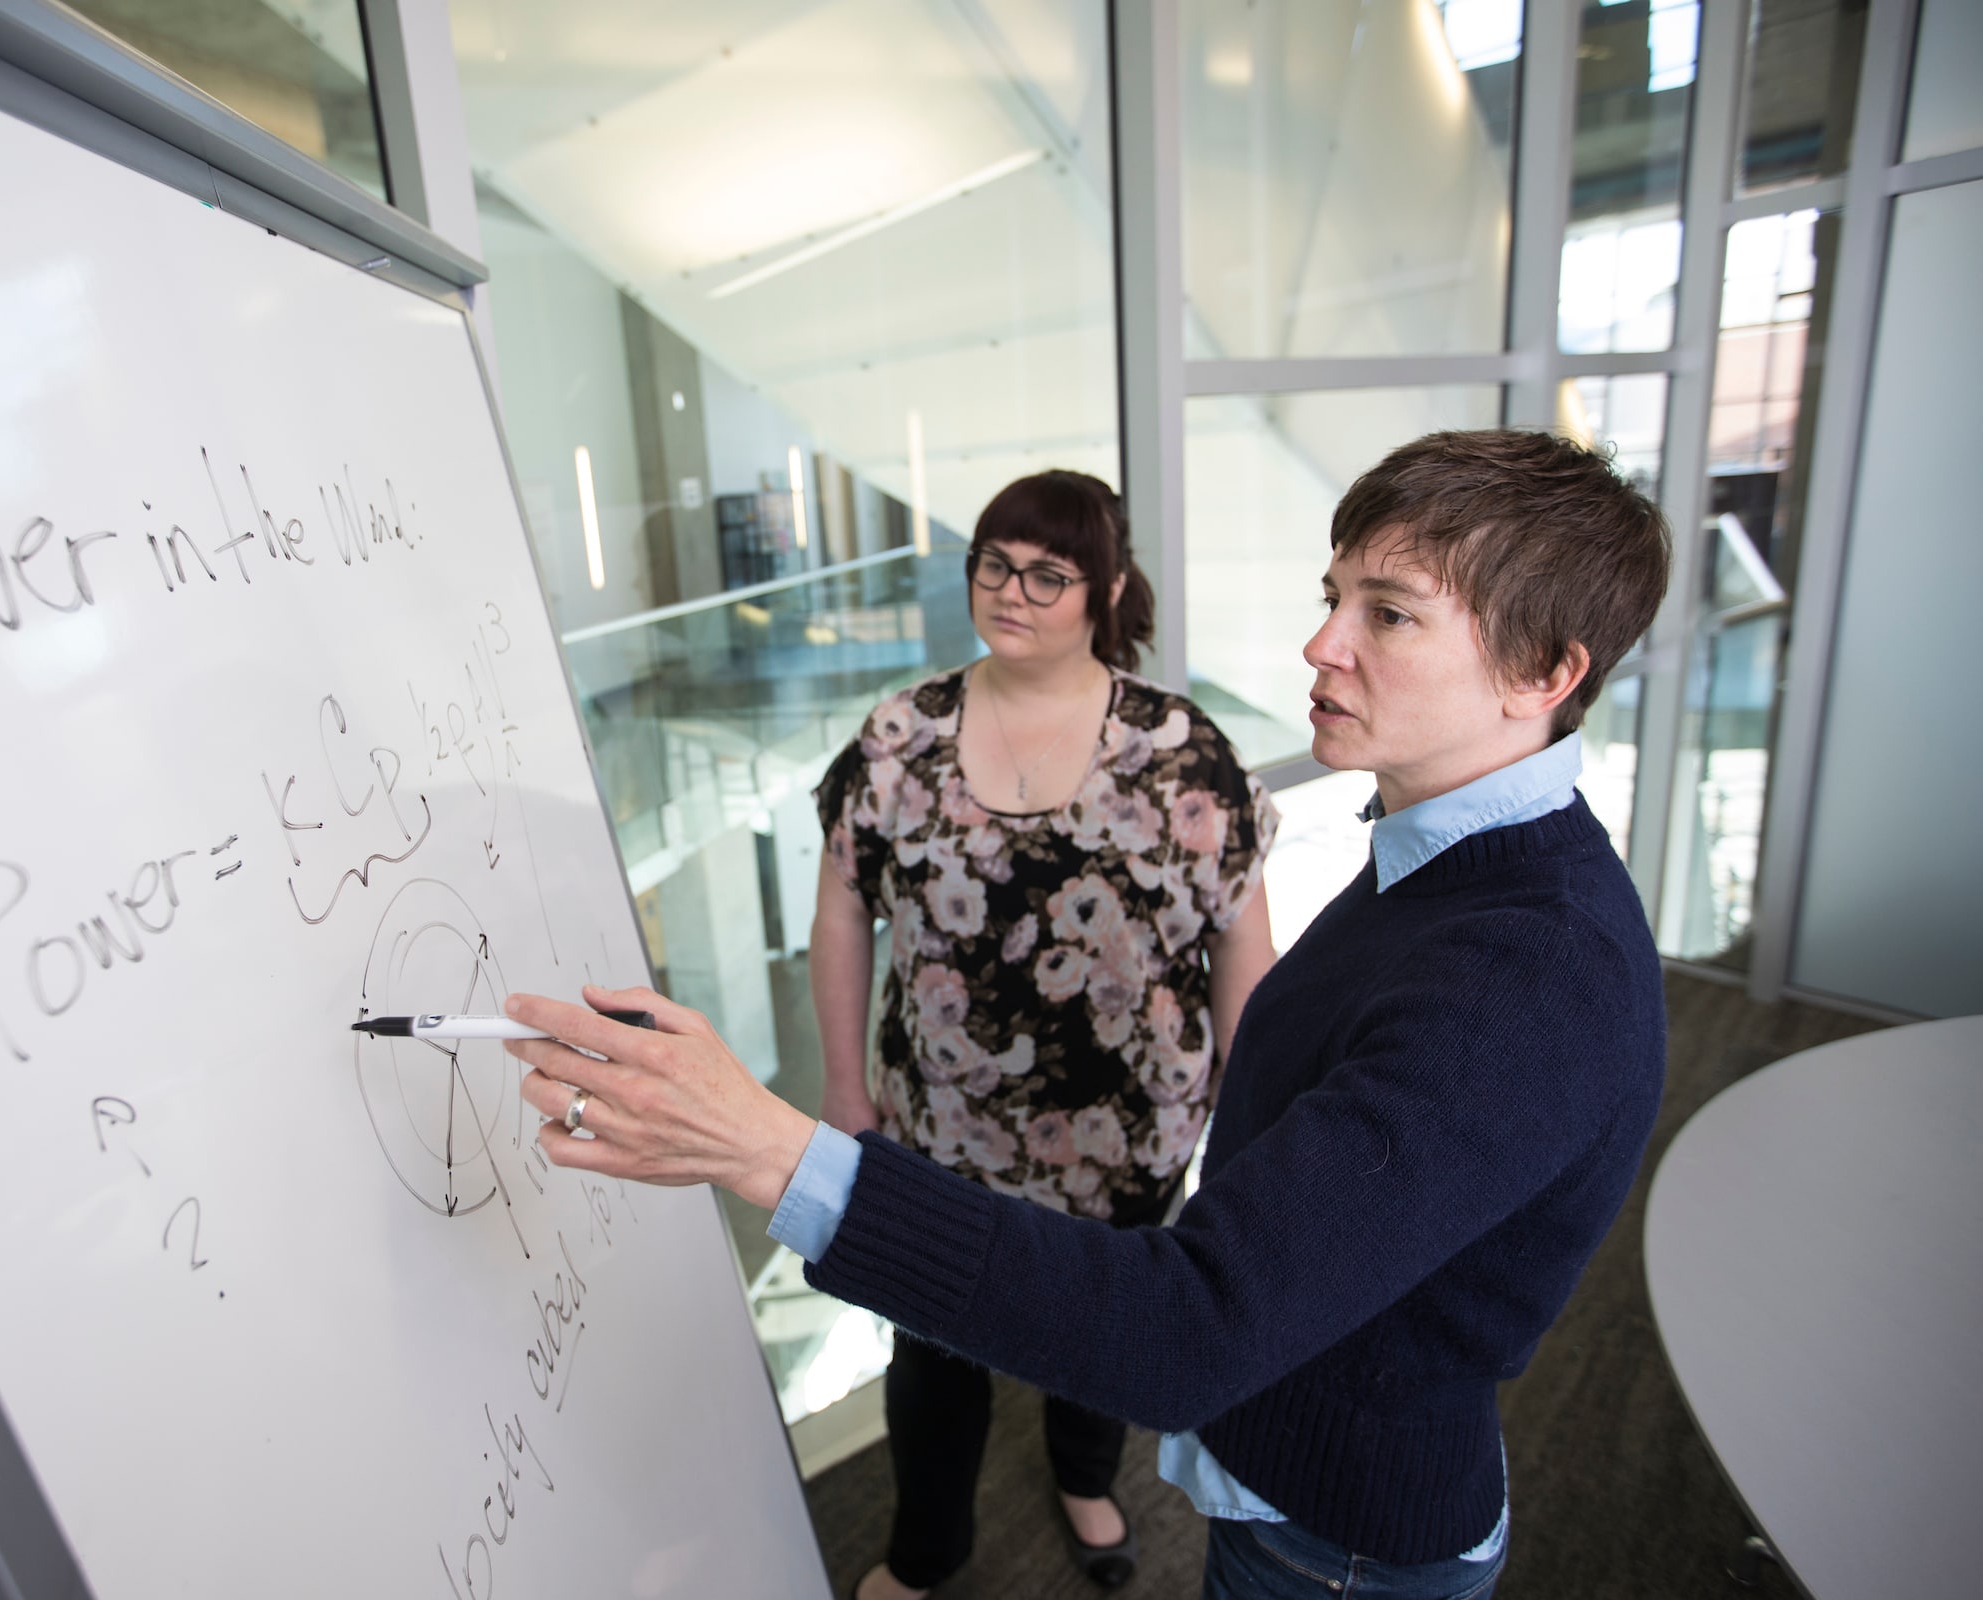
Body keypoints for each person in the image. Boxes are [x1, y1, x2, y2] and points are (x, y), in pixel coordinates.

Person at [507, 429, 1671, 1600]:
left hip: (1340, 1544)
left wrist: (765, 1146)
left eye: (1391, 614)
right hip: (1287, 1476)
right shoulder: (1439, 863)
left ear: (1544, 673)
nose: (1321, 645)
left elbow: (1185, 1331)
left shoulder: (1527, 968)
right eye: (1333, 599)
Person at [807, 470, 1276, 1596]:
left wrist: (1248, 1116)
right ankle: (927, 1549)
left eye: (1047, 574)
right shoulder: (899, 737)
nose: (1011, 592)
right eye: (993, 564)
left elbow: (1243, 948)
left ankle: (1085, 1479)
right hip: (938, 1126)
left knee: (1104, 1333)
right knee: (929, 1351)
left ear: (1105, 590)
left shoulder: (1182, 751)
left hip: (1126, 1137)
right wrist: (844, 1088)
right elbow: (839, 910)